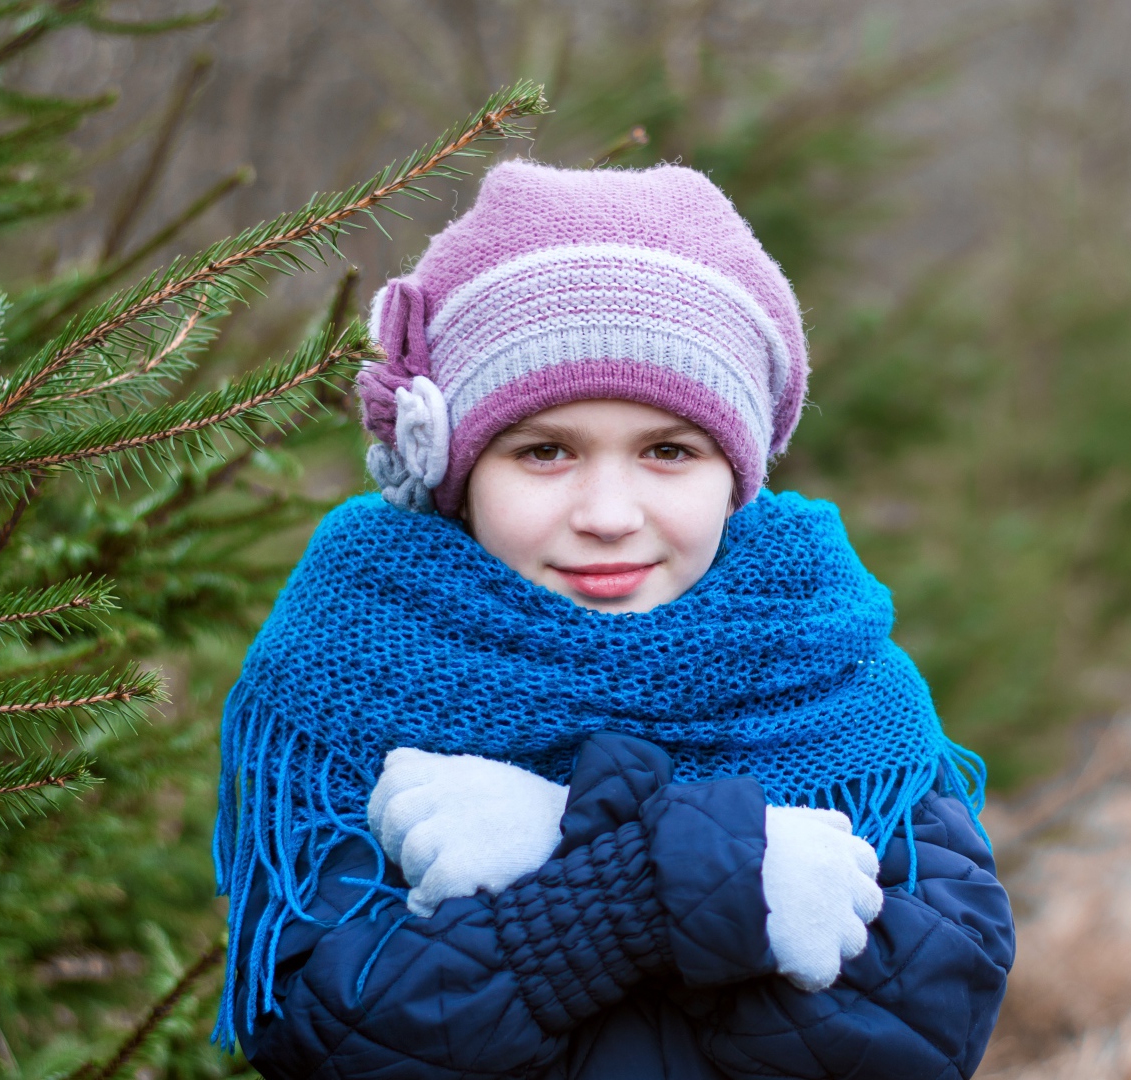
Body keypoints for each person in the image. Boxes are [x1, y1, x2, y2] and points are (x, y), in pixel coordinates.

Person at [213, 159, 1014, 1080]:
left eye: (669, 451)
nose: (607, 513)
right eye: (545, 451)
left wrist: (575, 842)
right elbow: (329, 1034)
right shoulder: (356, 652)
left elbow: (922, 1026)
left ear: (737, 476)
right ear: (457, 471)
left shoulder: (823, 658)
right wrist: (668, 886)